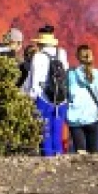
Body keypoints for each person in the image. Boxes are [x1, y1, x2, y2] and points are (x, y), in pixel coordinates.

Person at [22, 26, 69, 157]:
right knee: (57, 131)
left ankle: (48, 159)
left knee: (45, 133)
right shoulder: (62, 53)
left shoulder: (38, 56)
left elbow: (35, 81)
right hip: (60, 98)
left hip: (44, 99)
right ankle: (58, 156)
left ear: (40, 42)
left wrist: (30, 98)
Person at [66, 44, 98, 154]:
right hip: (93, 116)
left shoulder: (71, 75)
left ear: (78, 57)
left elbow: (68, 94)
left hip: (75, 117)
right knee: (93, 152)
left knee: (80, 153)